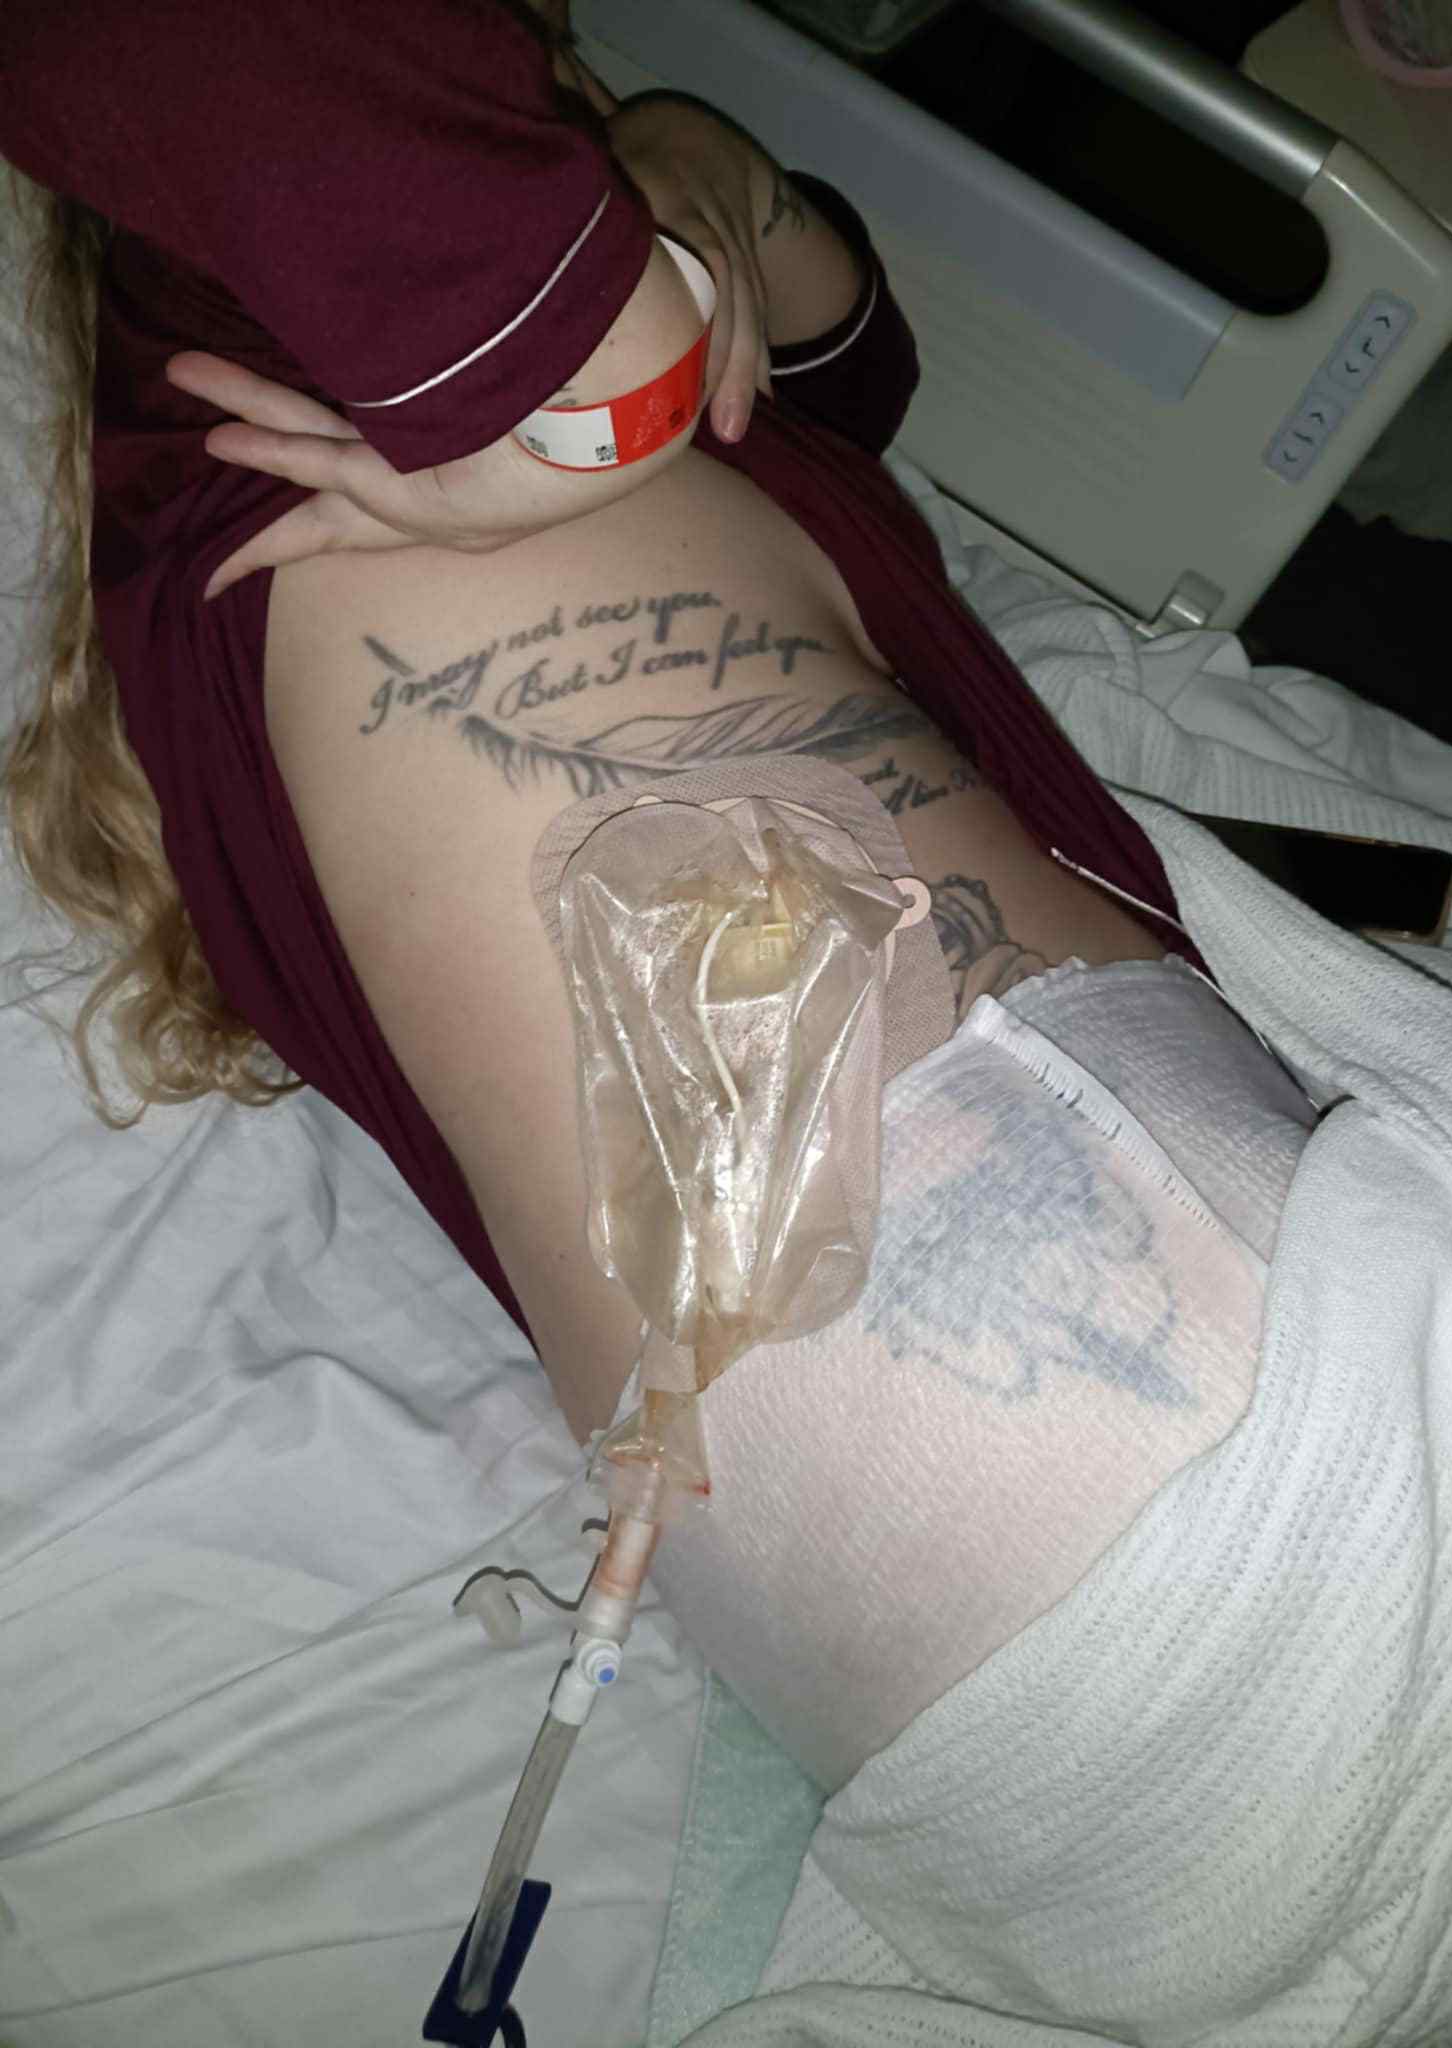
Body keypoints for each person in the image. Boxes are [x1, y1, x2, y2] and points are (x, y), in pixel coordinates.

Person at [1, 0, 1317, 1794]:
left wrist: (697, 173)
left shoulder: (492, 255)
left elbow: (845, 377)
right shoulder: (274, 334)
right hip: (1188, 1485)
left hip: (963, 1667)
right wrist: (627, 337)